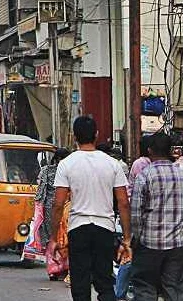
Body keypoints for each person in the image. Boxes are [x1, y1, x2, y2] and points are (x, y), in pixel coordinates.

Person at [52, 116, 131, 301]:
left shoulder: (66, 164)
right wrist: (127, 238)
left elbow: (58, 204)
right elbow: (124, 202)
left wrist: (53, 238)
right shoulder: (112, 164)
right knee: (104, 281)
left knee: (80, 282)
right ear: (96, 135)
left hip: (78, 228)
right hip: (104, 228)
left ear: (74, 137)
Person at [130, 133, 183, 301]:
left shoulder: (144, 176)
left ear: (150, 150)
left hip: (149, 242)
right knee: (174, 289)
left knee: (145, 287)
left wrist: (135, 238)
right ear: (170, 151)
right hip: (177, 243)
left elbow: (136, 212)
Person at [35, 147, 71, 279]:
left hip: (51, 209)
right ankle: (64, 268)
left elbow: (40, 193)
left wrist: (39, 211)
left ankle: (53, 269)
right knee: (65, 238)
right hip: (67, 208)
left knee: (52, 238)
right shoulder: (70, 170)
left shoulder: (46, 171)